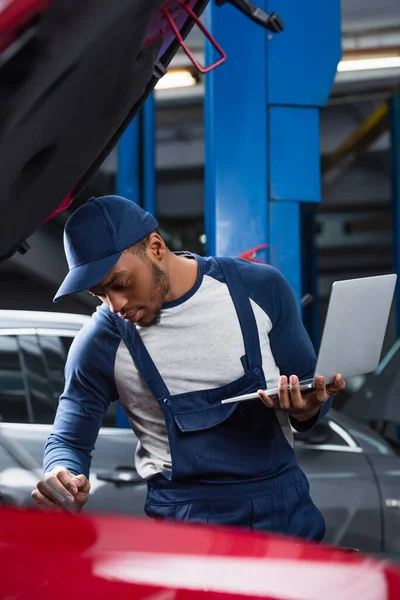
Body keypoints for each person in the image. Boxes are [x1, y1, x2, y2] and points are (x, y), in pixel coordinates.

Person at [32, 195, 345, 539]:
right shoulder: (101, 341)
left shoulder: (259, 289)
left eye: (119, 284)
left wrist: (307, 409)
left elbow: (315, 396)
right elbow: (69, 440)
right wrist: (62, 474)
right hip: (188, 528)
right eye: (100, 294)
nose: (115, 304)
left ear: (155, 246)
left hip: (287, 512)